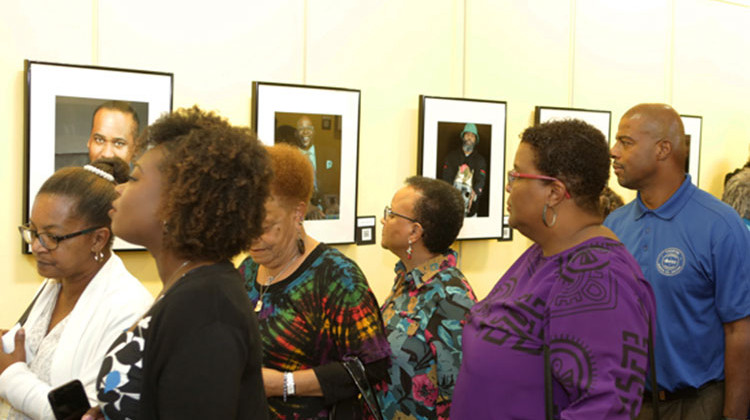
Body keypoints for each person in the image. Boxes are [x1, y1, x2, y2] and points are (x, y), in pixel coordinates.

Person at [452, 119, 656, 419]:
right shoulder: (544, 253)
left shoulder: (599, 276)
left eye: (516, 175)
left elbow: (606, 407)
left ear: (555, 192)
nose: (508, 186)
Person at [84, 107, 271, 419]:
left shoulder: (207, 308)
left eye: (133, 178)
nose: (118, 189)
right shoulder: (190, 288)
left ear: (175, 202)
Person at [605, 104, 750, 420]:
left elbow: (740, 329)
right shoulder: (614, 226)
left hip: (697, 405)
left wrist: (734, 413)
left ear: (662, 149)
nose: (613, 151)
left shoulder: (721, 225)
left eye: (625, 142)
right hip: (628, 404)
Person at [238, 143, 390, 419]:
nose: (251, 239)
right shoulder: (247, 270)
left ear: (297, 213)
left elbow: (372, 367)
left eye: (263, 227)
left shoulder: (337, 278)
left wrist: (285, 384)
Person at [0, 158, 152, 420]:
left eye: (52, 237)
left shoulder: (129, 309)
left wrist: (11, 375)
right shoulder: (53, 285)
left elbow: (86, 413)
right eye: (33, 232)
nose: (37, 246)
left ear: (98, 239)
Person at [378, 176, 477, 420]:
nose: (384, 219)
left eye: (391, 214)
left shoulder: (451, 298)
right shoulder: (407, 279)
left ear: (415, 232)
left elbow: (462, 396)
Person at [441, 123, 487, 216]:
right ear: (463, 137)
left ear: (475, 140)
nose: (469, 138)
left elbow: (480, 181)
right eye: (467, 134)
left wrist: (475, 193)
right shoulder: (451, 157)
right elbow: (446, 178)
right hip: (452, 207)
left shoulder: (480, 160)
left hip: (471, 209)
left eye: (472, 136)